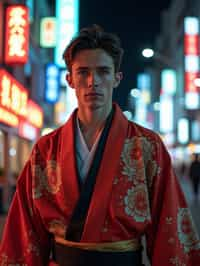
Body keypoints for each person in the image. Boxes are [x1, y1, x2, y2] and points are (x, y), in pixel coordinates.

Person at [0, 25, 200, 266]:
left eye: (103, 71)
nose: (93, 81)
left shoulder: (147, 146)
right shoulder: (45, 149)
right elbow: (25, 232)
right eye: (83, 72)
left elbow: (170, 228)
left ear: (117, 78)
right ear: (69, 79)